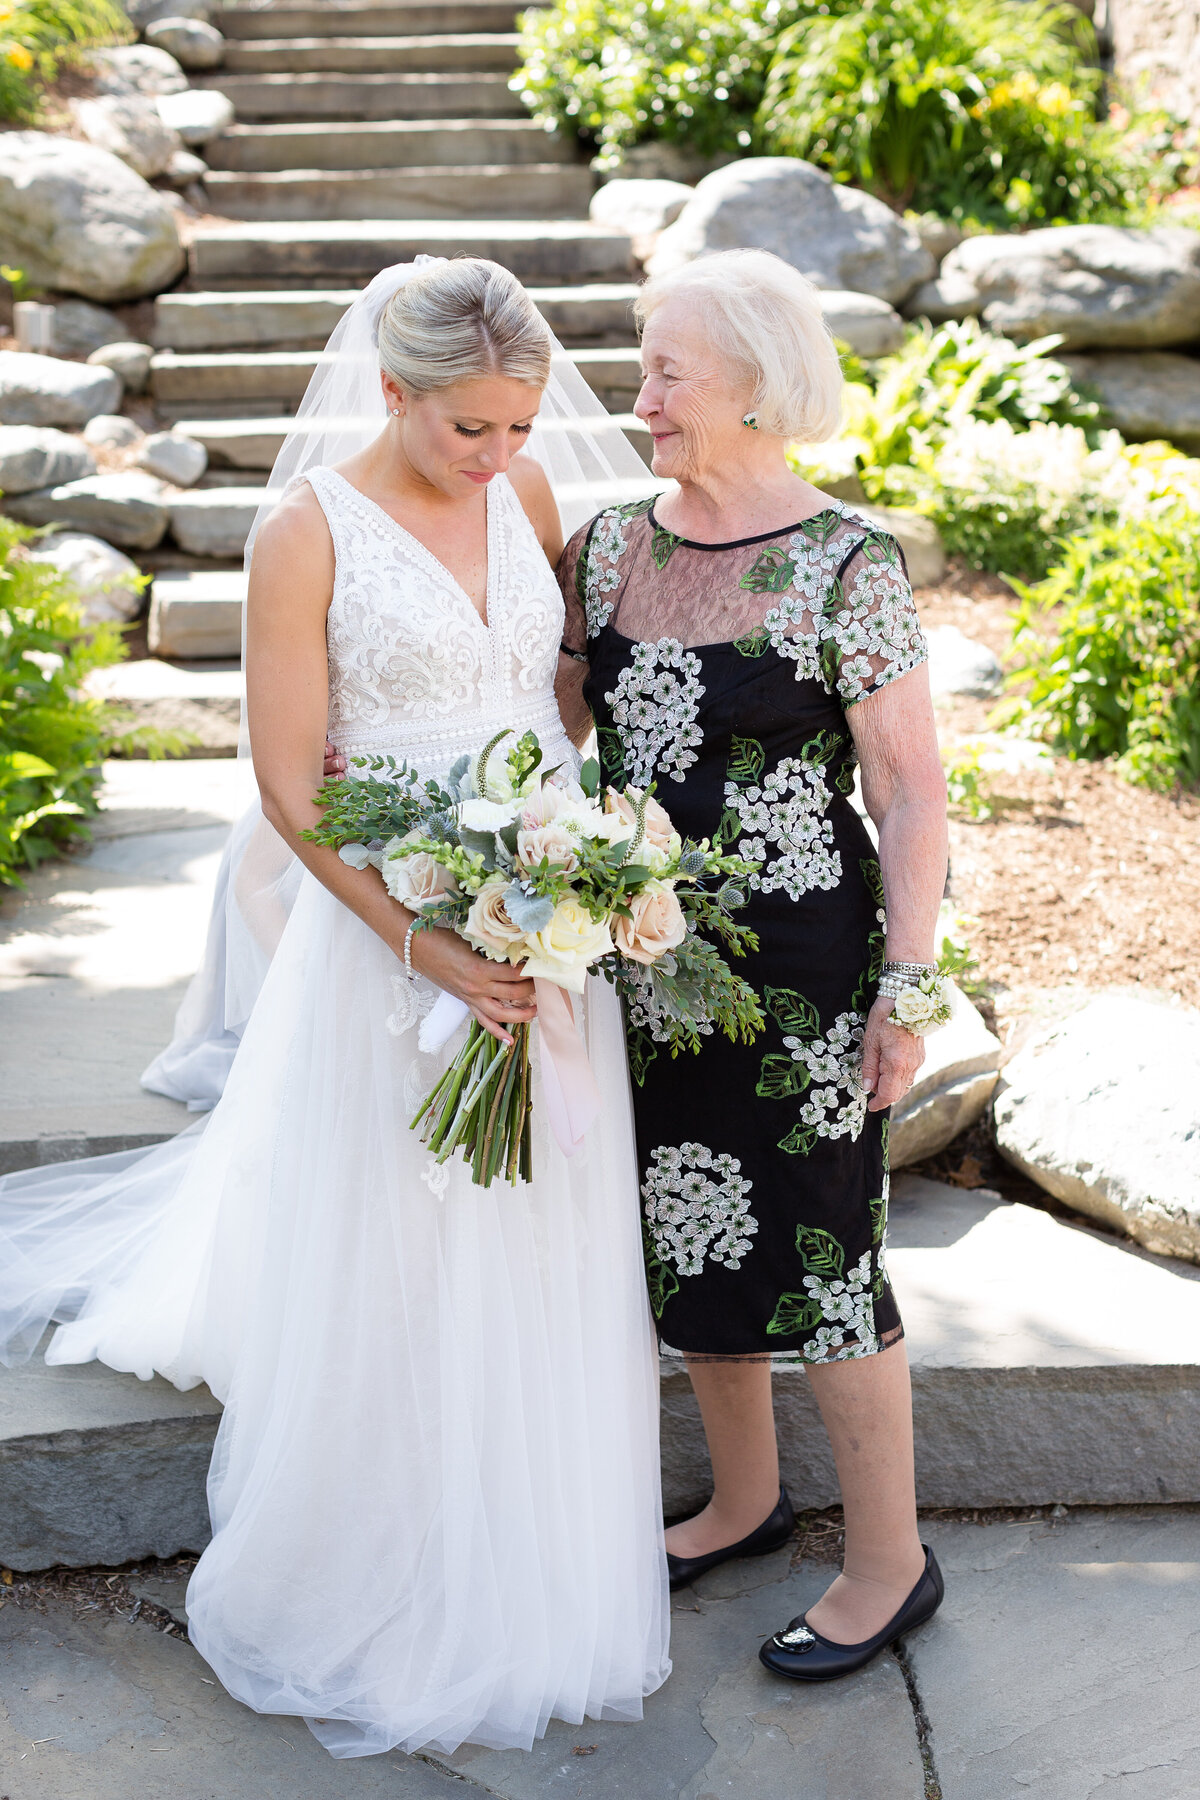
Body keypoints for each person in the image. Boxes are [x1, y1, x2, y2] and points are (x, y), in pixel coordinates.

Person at [0, 258, 670, 1755]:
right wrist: (424, 938)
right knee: (399, 1223)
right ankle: (376, 1541)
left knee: (537, 1220)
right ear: (392, 393)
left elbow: (554, 686)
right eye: (469, 433)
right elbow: (292, 787)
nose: (501, 460)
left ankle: (530, 1516)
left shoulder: (533, 495)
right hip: (386, 928)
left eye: (518, 429)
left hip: (540, 915)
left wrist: (573, 855)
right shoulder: (306, 534)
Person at [554, 248, 948, 1681]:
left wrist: (907, 983)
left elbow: (909, 791)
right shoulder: (601, 550)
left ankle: (891, 1563)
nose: (639, 395)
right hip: (641, 972)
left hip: (805, 968)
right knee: (690, 1231)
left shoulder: (849, 566)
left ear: (758, 389)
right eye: (644, 364)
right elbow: (552, 747)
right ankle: (743, 1497)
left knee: (827, 1250)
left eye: (666, 369)